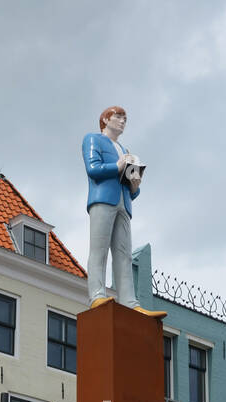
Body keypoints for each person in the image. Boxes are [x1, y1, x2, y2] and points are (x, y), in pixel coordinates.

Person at [83, 107, 165, 316]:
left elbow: (130, 189)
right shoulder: (93, 139)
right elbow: (93, 169)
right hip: (102, 199)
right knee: (99, 248)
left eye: (125, 119)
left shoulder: (124, 149)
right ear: (105, 119)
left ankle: (130, 302)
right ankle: (97, 295)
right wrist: (118, 165)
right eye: (118, 117)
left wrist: (135, 185)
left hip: (123, 203)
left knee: (124, 255)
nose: (122, 122)